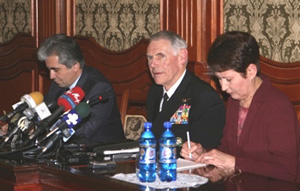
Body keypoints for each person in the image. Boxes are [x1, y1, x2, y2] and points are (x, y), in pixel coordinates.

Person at [180, 31, 300, 182]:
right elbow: (229, 151)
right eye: (219, 79)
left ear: (250, 71)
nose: (223, 87)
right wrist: (205, 153)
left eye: (228, 79)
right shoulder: (234, 101)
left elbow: (287, 171)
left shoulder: (277, 106)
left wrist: (233, 162)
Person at [146, 30, 226, 154]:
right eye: (150, 58)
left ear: (182, 57)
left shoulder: (205, 98)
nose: (153, 64)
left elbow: (206, 152)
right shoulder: (155, 92)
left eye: (160, 56)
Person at [37, 34, 126, 145]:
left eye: (56, 70)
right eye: (49, 70)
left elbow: (83, 131)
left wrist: (47, 132)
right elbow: (45, 111)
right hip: (69, 152)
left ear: (75, 66)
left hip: (103, 153)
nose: (51, 76)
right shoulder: (58, 84)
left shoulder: (99, 88)